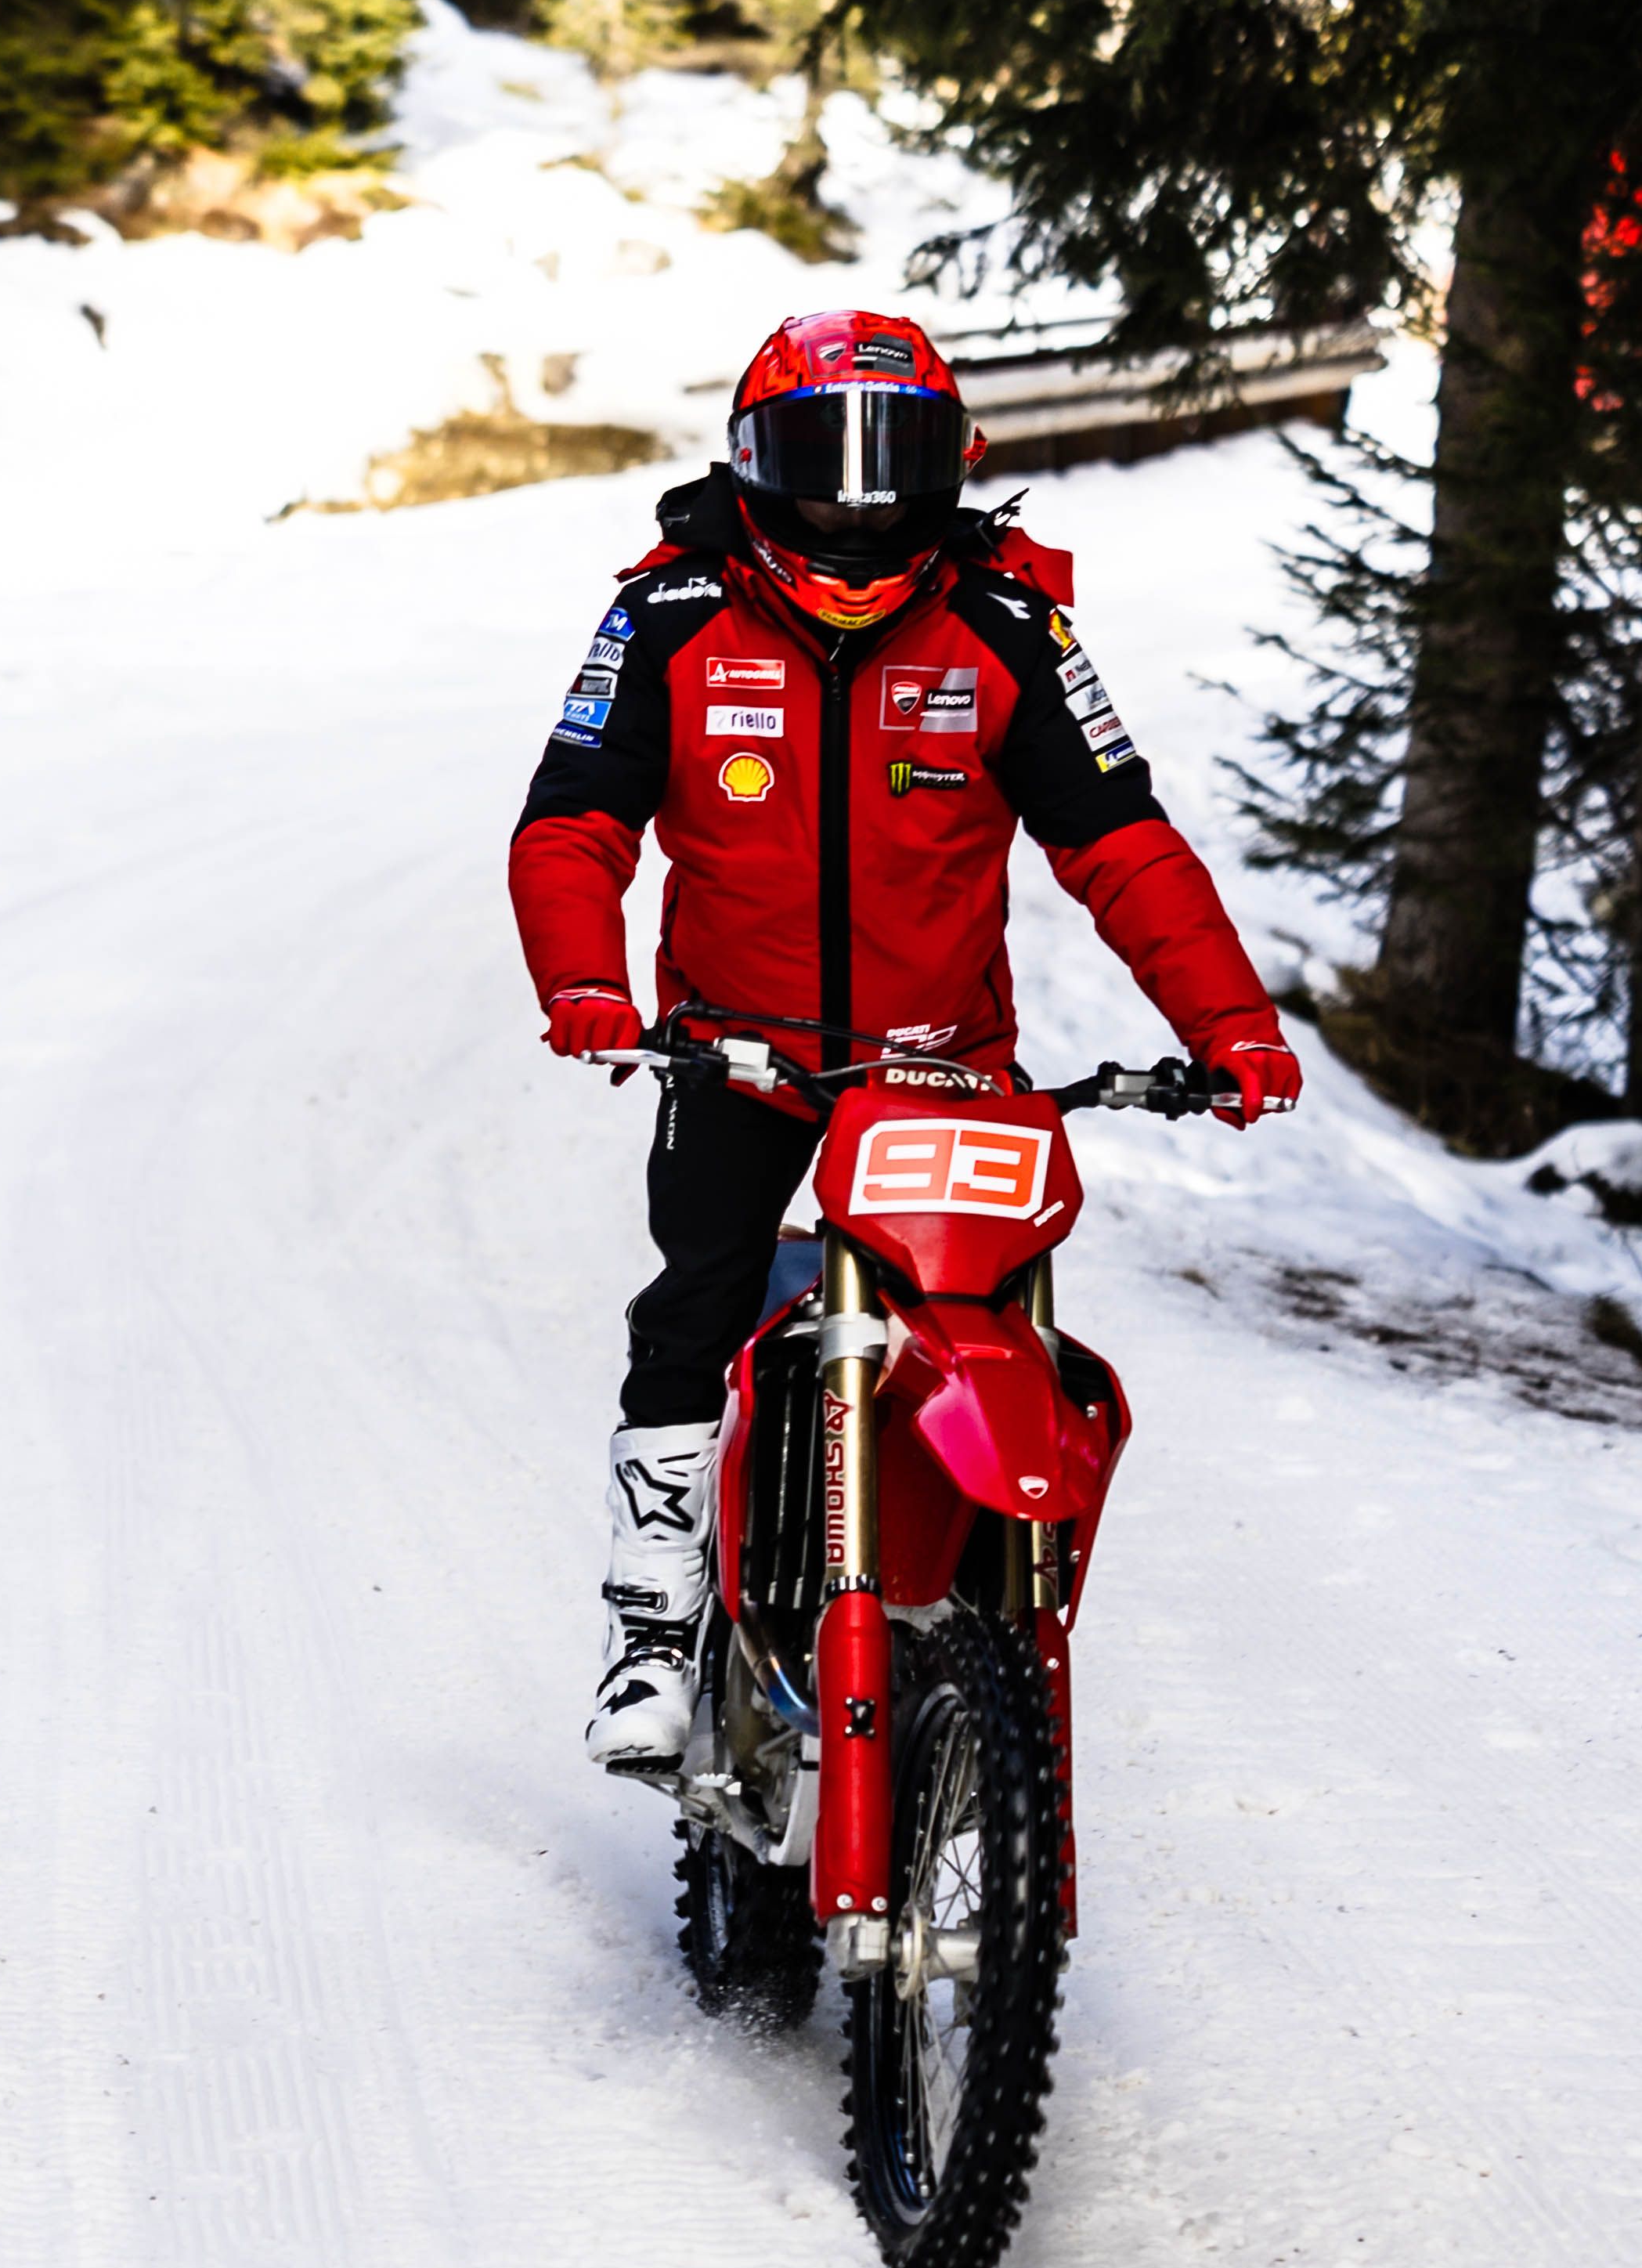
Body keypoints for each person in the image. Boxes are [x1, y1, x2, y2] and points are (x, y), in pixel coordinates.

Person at [507, 308, 1306, 1771]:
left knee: (991, 1329)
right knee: (696, 1307)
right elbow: (572, 823)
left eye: (902, 459)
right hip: (730, 1050)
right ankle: (650, 1622)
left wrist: (1231, 1025)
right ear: (755, 462)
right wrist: (585, 986)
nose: (864, 501)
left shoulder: (1009, 623)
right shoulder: (670, 614)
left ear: (958, 464)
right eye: (826, 459)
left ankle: (992, 1595)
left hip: (944, 1061)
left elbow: (1122, 841)